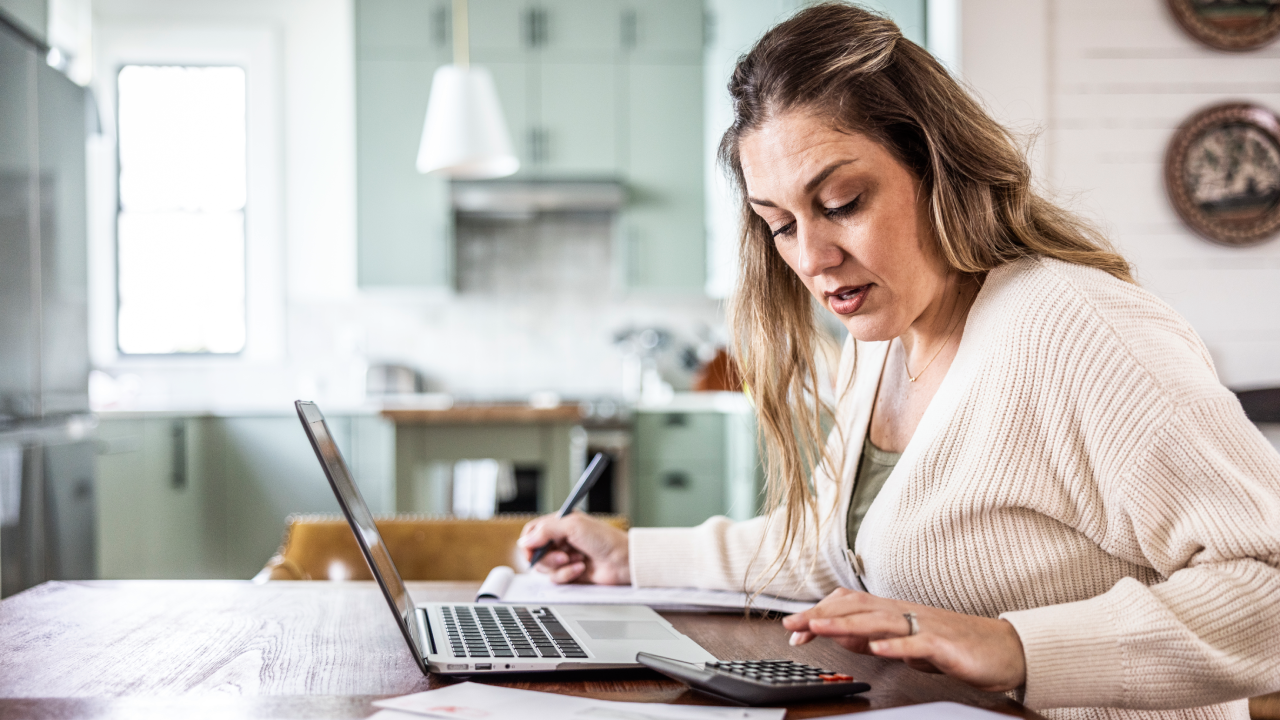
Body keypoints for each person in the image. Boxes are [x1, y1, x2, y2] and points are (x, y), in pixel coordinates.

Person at [518, 3, 1280, 717]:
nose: (813, 258)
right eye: (778, 224)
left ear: (940, 169)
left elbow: (1267, 583)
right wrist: (629, 556)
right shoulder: (876, 343)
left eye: (843, 203)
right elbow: (832, 558)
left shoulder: (1075, 330)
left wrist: (1015, 646)